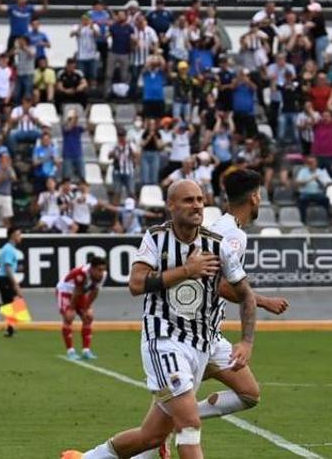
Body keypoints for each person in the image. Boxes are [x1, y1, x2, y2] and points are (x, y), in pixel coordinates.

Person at [67, 180, 257, 459]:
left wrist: (247, 342)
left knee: (151, 436)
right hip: (164, 341)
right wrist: (187, 270)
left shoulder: (217, 245)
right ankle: (187, 414)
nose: (196, 206)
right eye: (188, 200)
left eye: (200, 200)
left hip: (203, 343)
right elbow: (136, 283)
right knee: (189, 424)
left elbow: (246, 295)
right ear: (171, 205)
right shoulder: (156, 238)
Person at [128, 168, 290, 459]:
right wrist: (262, 301)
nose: (197, 205)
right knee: (182, 421)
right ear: (255, 198)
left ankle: (178, 422)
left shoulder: (221, 228)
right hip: (190, 332)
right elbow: (220, 286)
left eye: (199, 199)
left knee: (246, 393)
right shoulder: (234, 237)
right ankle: (182, 422)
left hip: (207, 337)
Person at [57, 256, 107, 360]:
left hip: (80, 292)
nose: (101, 272)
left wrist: (86, 308)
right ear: (92, 268)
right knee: (69, 317)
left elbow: (94, 292)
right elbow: (76, 291)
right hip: (65, 291)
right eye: (99, 270)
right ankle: (70, 351)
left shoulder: (103, 275)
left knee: (88, 316)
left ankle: (86, 351)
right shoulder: (81, 273)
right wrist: (71, 308)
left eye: (103, 270)